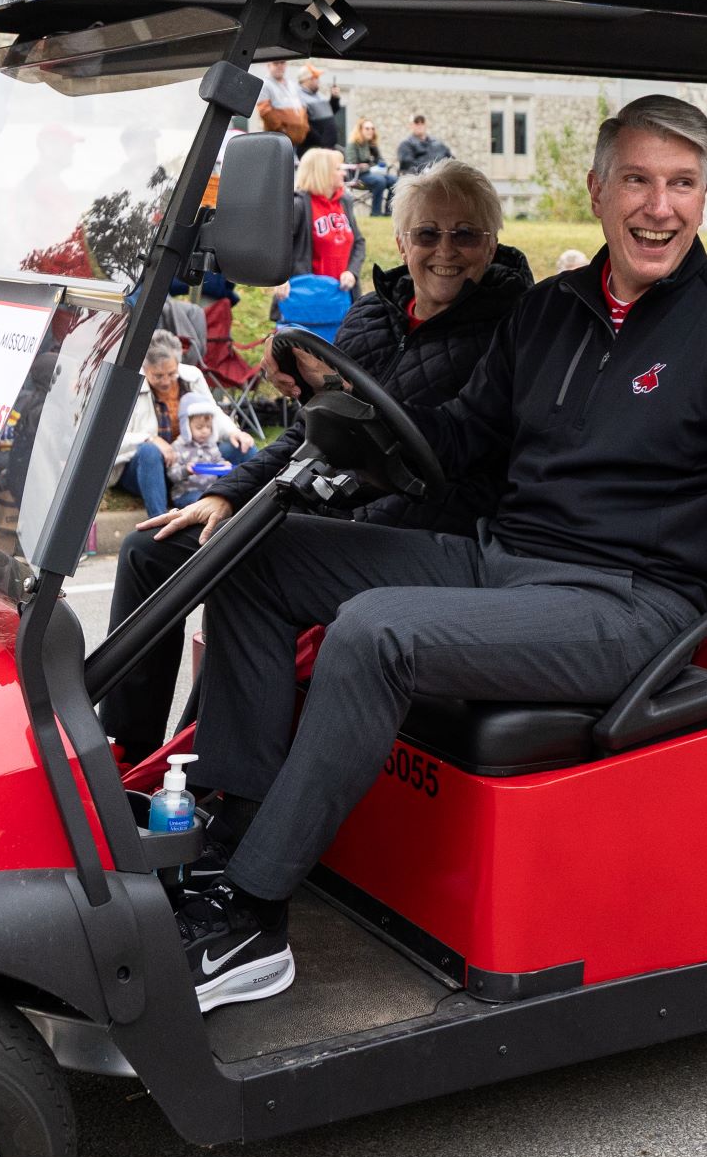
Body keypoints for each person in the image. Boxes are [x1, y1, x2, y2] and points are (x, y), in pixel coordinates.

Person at [177, 95, 707, 1009]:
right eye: (638, 180)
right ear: (598, 191)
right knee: (257, 557)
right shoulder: (550, 311)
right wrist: (341, 417)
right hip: (506, 558)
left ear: (705, 194)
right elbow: (456, 442)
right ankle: (229, 844)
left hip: (631, 604)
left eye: (682, 184)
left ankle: (252, 912)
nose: (660, 206)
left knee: (376, 631)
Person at [99, 158, 531, 763]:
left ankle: (229, 793)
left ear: (492, 242)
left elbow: (451, 443)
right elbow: (315, 429)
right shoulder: (376, 315)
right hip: (338, 508)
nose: (446, 252)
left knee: (250, 562)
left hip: (430, 528)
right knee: (154, 547)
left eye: (466, 235)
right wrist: (228, 493)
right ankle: (126, 750)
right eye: (428, 234)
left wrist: (342, 411)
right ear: (402, 240)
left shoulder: (513, 328)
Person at [119, 329, 244, 520]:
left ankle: (251, 508)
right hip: (149, 471)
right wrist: (151, 439)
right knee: (149, 451)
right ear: (145, 368)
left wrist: (234, 432)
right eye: (158, 376)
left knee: (242, 447)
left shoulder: (192, 376)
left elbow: (213, 412)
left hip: (190, 465)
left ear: (178, 363)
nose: (166, 381)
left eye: (171, 373)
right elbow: (114, 439)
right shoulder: (129, 386)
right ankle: (158, 520)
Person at [289, 146, 367, 292]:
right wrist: (281, 281)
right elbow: (279, 249)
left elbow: (358, 242)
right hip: (308, 294)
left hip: (342, 294)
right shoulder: (298, 205)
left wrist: (352, 272)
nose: (344, 173)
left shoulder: (345, 201)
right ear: (321, 173)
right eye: (338, 169)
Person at [159, 394, 251, 509]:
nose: (205, 431)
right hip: (185, 494)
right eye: (199, 427)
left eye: (208, 427)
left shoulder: (211, 445)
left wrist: (223, 465)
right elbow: (172, 475)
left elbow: (217, 461)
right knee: (201, 502)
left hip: (209, 491)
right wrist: (186, 470)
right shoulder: (178, 447)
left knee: (222, 500)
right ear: (186, 426)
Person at [344, 117, 392, 216]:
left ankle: (389, 211)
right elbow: (352, 163)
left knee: (395, 180)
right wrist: (368, 166)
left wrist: (379, 163)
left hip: (375, 174)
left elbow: (381, 161)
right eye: (367, 128)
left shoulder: (372, 145)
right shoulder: (353, 145)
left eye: (372, 128)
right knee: (380, 181)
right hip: (358, 176)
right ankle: (375, 213)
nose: (370, 131)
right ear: (360, 130)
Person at [254, 62, 308, 144]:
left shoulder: (292, 84)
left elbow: (302, 108)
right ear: (269, 65)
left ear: (286, 65)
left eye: (282, 63)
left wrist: (304, 128)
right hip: (279, 140)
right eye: (276, 63)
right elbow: (265, 111)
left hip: (297, 138)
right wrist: (282, 130)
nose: (279, 66)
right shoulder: (265, 85)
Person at [296, 65, 341, 153]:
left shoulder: (318, 95)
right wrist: (322, 143)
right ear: (306, 79)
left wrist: (334, 99)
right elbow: (304, 125)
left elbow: (330, 112)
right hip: (314, 149)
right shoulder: (298, 97)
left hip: (327, 148)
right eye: (315, 78)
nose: (318, 81)